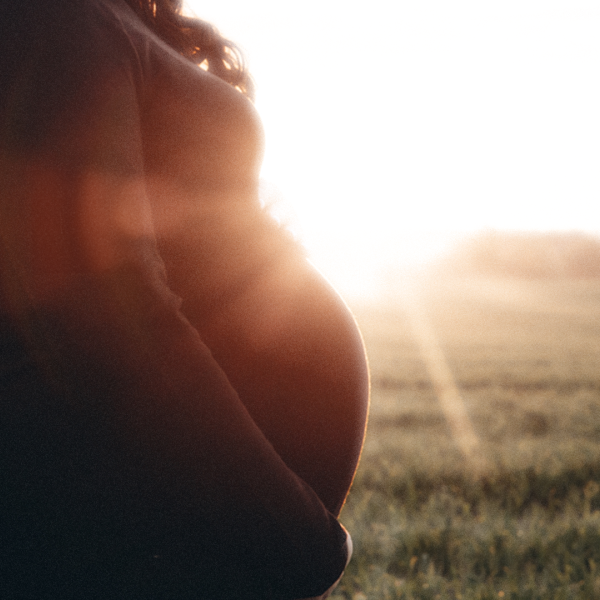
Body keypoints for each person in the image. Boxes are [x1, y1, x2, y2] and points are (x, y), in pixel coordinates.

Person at [0, 0, 369, 598]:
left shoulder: (104, 19)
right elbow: (102, 310)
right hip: (135, 507)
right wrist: (291, 536)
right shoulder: (60, 17)